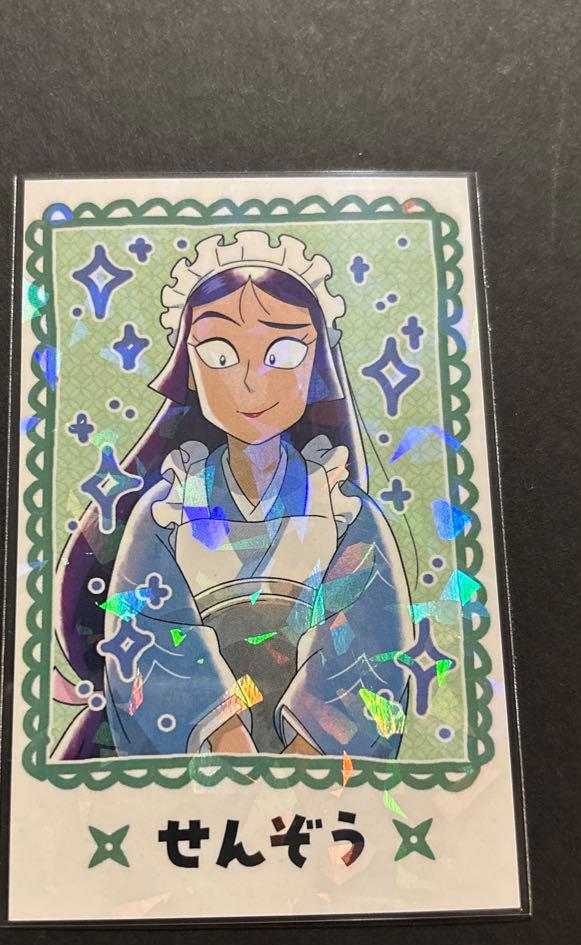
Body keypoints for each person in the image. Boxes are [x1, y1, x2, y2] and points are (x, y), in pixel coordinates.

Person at [53, 232, 416, 759]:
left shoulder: (346, 514)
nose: (251, 380)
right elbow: (147, 642)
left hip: (315, 775)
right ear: (188, 368)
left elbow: (369, 652)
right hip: (196, 766)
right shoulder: (166, 513)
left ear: (317, 363)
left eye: (284, 351)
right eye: (220, 353)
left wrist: (303, 765)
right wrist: (228, 749)